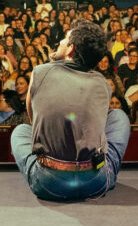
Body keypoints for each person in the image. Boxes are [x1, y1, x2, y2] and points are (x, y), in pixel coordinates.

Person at [10, 19, 131, 201]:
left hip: (49, 183)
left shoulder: (39, 72)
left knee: (20, 131)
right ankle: (103, 172)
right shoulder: (103, 84)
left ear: (71, 49)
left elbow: (35, 122)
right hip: (94, 182)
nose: (60, 42)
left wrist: (52, 63)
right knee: (119, 116)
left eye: (65, 39)